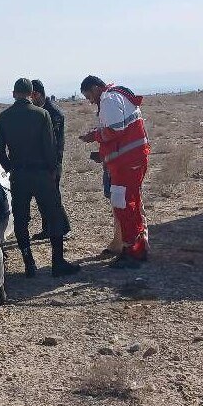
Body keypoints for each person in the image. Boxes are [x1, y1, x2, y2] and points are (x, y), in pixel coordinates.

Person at [0, 78, 80, 278]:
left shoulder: (4, 117)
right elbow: (50, 146)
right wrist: (52, 170)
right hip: (41, 173)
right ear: (31, 94)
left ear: (14, 94)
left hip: (19, 175)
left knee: (21, 219)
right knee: (53, 215)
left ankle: (29, 263)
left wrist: (9, 167)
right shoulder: (42, 114)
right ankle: (57, 263)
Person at [78, 75, 150, 268]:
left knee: (125, 205)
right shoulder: (116, 96)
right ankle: (135, 247)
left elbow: (115, 130)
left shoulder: (109, 99)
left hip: (127, 162)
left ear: (95, 88)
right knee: (129, 204)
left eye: (89, 96)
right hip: (129, 160)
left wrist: (94, 136)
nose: (90, 101)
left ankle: (133, 251)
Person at [30, 79, 71, 240]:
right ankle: (47, 229)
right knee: (42, 197)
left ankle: (64, 228)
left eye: (31, 96)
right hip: (41, 162)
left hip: (52, 162)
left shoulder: (53, 112)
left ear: (37, 94)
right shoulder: (40, 111)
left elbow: (53, 142)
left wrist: (53, 166)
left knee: (53, 197)